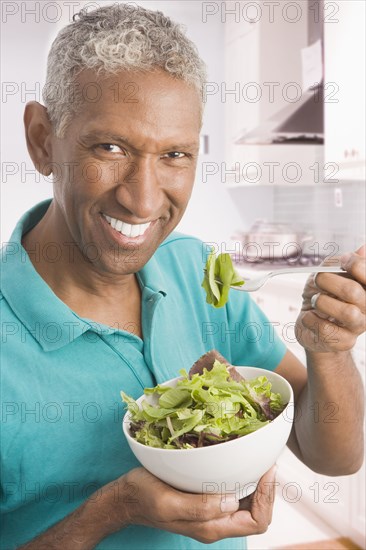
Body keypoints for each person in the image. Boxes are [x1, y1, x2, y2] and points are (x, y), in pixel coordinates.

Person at [1, 4, 365, 549]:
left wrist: (329, 353)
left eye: (174, 154)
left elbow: (334, 457)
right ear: (42, 139)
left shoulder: (196, 270)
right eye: (110, 147)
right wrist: (113, 509)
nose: (143, 198)